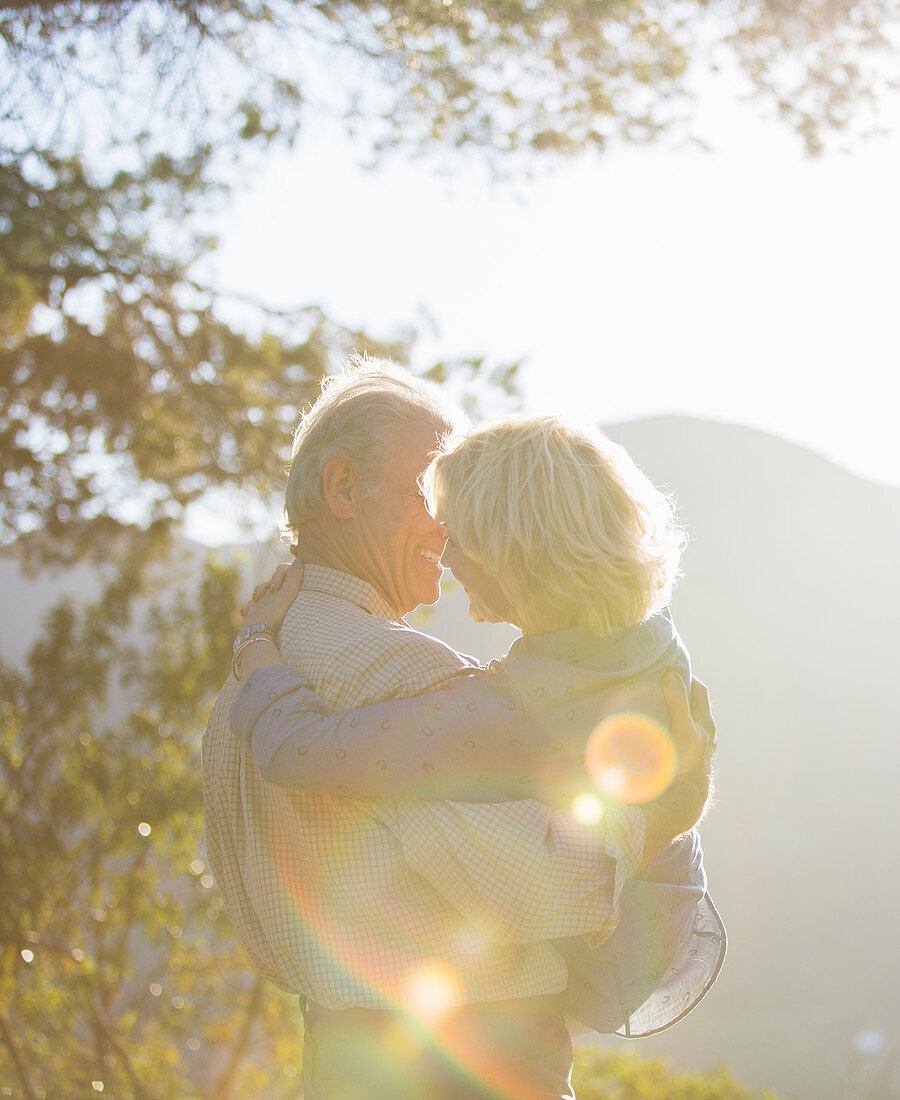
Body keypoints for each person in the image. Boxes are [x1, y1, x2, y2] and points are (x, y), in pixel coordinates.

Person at [203, 362, 714, 1100]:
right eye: (426, 490)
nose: (450, 528)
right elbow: (538, 884)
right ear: (343, 489)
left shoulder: (251, 673)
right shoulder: (396, 672)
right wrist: (659, 822)